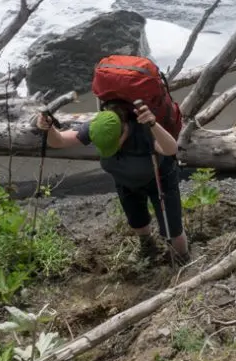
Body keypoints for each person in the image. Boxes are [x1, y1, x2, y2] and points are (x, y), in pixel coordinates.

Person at [35, 101, 190, 264]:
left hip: (159, 178)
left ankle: (182, 259)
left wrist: (153, 125)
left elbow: (171, 149)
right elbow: (58, 141)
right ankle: (147, 245)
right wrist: (49, 128)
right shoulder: (98, 126)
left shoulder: (142, 130)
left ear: (124, 130)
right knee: (136, 220)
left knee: (172, 228)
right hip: (125, 181)